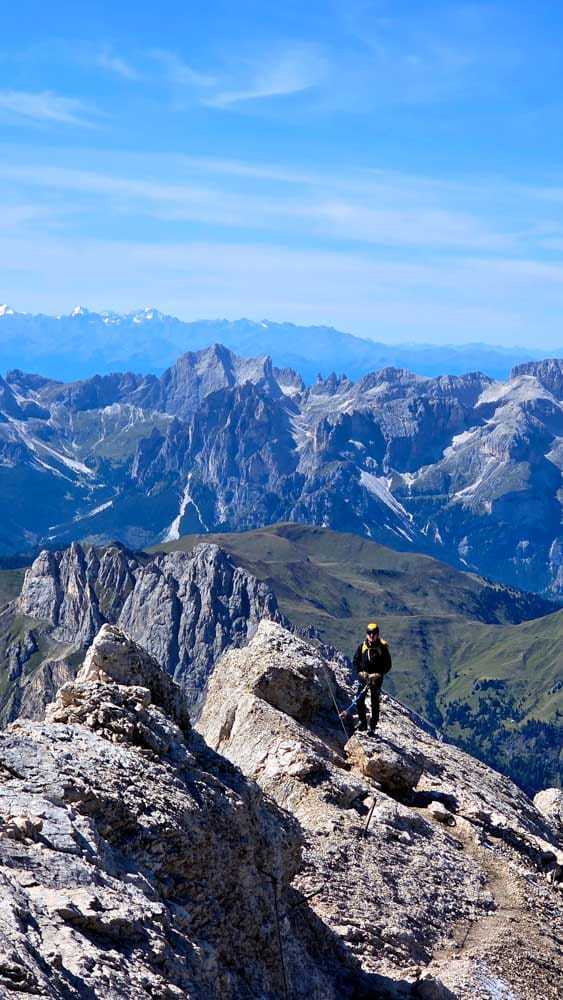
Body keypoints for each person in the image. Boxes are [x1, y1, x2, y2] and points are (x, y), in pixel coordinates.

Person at [352, 622, 392, 735]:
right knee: (359, 700)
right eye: (369, 633)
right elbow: (355, 661)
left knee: (374, 702)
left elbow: (388, 665)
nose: (371, 635)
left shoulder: (382, 648)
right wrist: (360, 672)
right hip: (364, 678)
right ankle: (362, 722)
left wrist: (378, 674)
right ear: (366, 634)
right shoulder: (362, 646)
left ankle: (373, 726)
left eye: (374, 633)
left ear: (377, 634)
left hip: (376, 679)